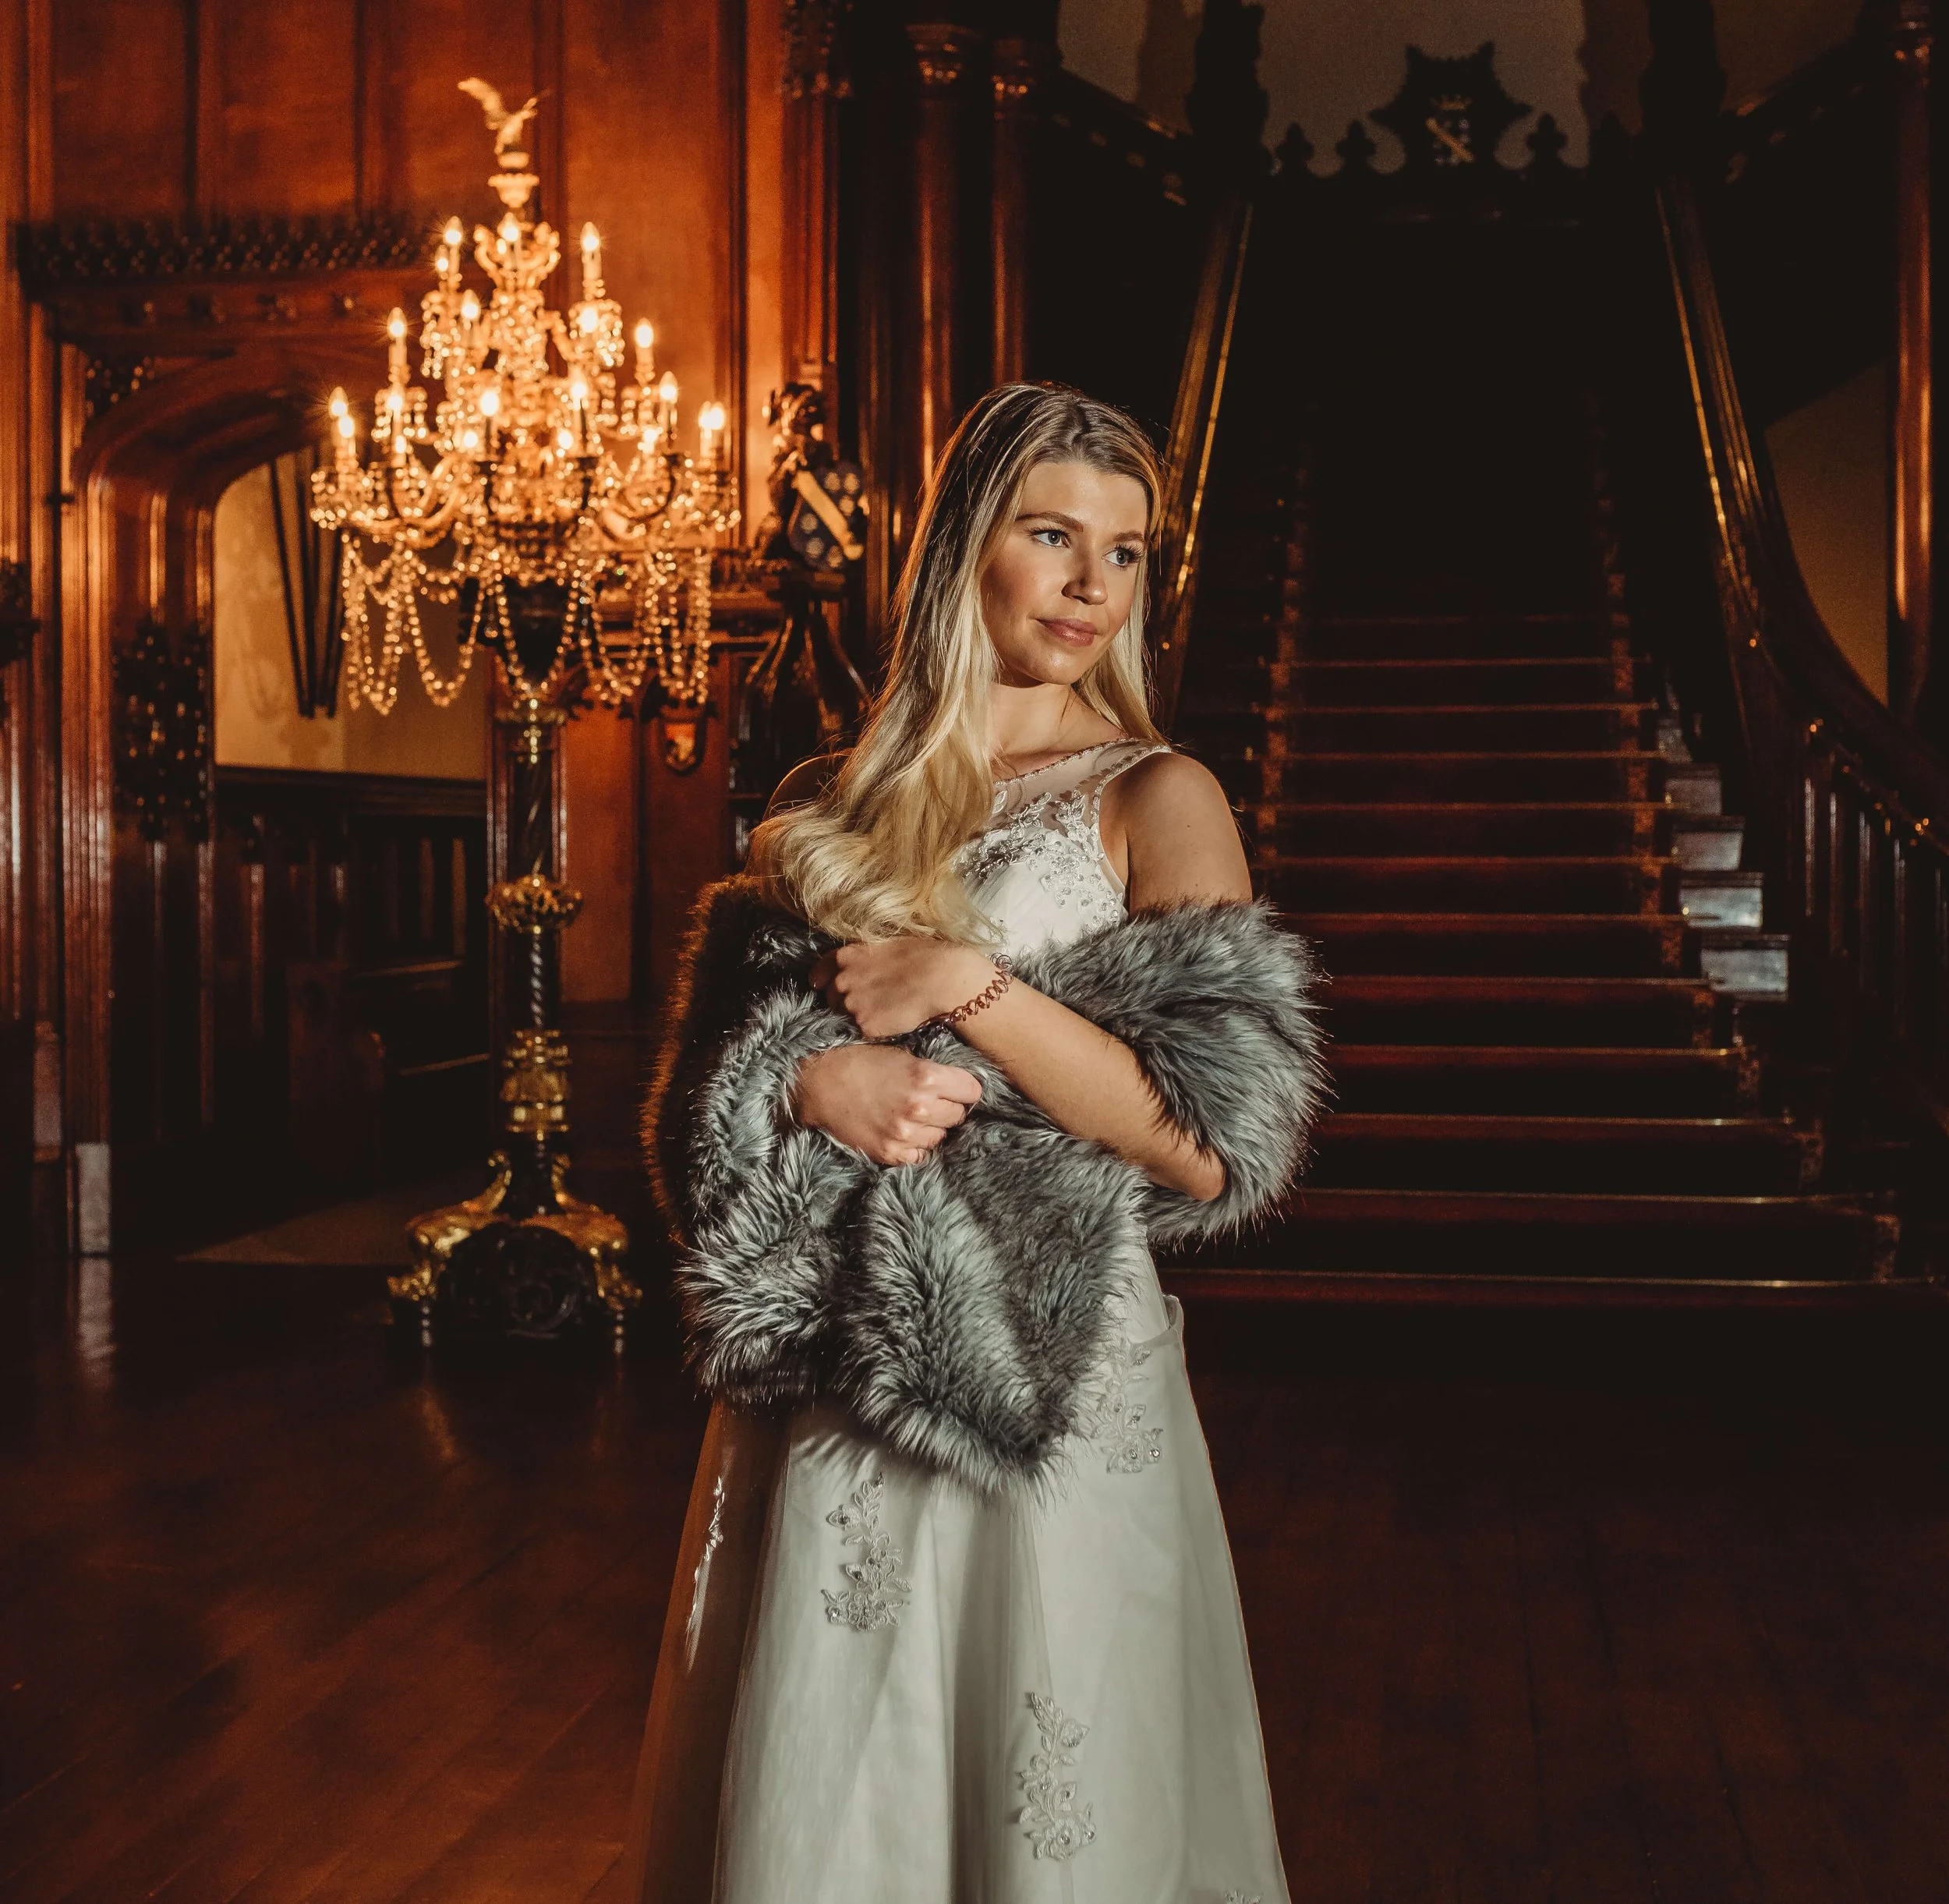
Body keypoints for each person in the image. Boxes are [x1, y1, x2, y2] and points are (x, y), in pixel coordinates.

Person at [622, 383, 1318, 1903]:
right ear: (963, 553)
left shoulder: (1153, 792)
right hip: (827, 1382)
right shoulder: (825, 805)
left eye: (1124, 552)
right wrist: (804, 1086)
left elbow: (1212, 1143)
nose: (1091, 585)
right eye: (1052, 535)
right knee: (834, 1771)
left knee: (1052, 1770)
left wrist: (974, 990)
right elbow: (693, 1125)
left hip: (1048, 1371)